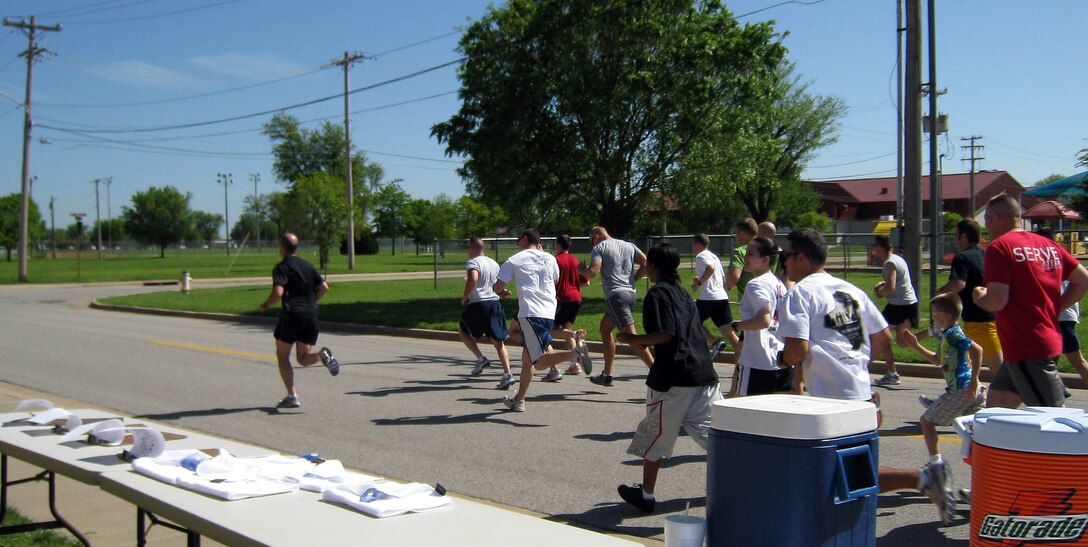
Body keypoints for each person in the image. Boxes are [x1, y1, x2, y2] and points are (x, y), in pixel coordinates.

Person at [776, 228, 956, 523]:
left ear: (802, 258)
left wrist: (782, 360)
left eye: (786, 256)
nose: (783, 263)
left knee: (838, 473)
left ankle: (923, 478)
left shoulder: (800, 293)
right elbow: (883, 335)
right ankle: (922, 479)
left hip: (830, 402)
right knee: (846, 473)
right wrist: (855, 363)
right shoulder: (851, 290)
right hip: (859, 392)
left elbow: (798, 348)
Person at [615, 243, 722, 513]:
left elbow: (665, 334)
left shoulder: (657, 294)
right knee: (714, 435)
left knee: (653, 433)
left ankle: (647, 496)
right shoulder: (684, 294)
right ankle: (736, 481)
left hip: (674, 377)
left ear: (653, 266)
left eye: (647, 264)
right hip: (704, 374)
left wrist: (633, 339)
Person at [973, 194, 1088, 409]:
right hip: (1040, 340)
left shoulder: (1000, 247)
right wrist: (1054, 309)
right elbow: (1082, 280)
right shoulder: (1048, 245)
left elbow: (996, 301)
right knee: (996, 408)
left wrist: (979, 296)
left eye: (987, 219)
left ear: (997, 218)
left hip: (1026, 346)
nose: (986, 225)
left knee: (1054, 418)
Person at [898, 293, 985, 499]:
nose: (933, 320)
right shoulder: (948, 335)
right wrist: (915, 345)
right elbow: (938, 360)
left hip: (962, 391)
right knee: (977, 440)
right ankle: (979, 488)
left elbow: (978, 350)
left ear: (944, 316)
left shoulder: (954, 335)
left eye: (934, 316)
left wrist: (973, 380)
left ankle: (936, 466)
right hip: (972, 391)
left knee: (926, 421)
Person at [497, 229, 591, 412]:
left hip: (531, 313)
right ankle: (519, 400)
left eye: (518, 240)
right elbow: (554, 280)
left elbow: (498, 285)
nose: (517, 243)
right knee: (527, 360)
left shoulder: (514, 259)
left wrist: (502, 292)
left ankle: (575, 354)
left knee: (538, 362)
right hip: (549, 311)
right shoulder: (550, 258)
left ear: (525, 239)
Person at [258, 233, 340, 409]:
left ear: (281, 247)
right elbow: (324, 287)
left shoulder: (281, 267)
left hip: (292, 315)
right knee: (302, 358)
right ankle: (321, 356)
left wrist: (265, 305)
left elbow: (278, 293)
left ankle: (292, 395)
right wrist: (311, 302)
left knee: (282, 356)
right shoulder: (307, 266)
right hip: (311, 314)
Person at [578, 227, 654, 387]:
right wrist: (633, 279)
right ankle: (607, 374)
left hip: (616, 297)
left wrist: (582, 270)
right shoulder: (628, 245)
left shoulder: (599, 248)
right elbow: (646, 262)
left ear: (597, 236)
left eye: (592, 240)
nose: (593, 244)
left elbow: (592, 272)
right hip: (630, 294)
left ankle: (656, 372)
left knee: (631, 337)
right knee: (605, 329)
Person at [931, 219, 1002, 375]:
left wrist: (939, 294)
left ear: (963, 236)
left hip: (980, 323)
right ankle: (958, 396)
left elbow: (958, 284)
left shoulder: (962, 257)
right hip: (990, 316)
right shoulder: (986, 255)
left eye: (956, 235)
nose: (954, 239)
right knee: (959, 364)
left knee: (1001, 373)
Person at [730, 236, 789, 396]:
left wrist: (737, 326)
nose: (745, 258)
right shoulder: (778, 284)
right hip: (779, 357)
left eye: (750, 254)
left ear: (765, 259)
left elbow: (764, 320)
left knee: (747, 412)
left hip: (758, 360)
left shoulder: (756, 284)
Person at [457, 237, 516, 389]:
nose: (467, 251)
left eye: (468, 247)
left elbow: (473, 278)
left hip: (478, 305)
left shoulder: (473, 263)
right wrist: (503, 292)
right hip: (495, 304)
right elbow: (497, 285)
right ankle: (507, 373)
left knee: (463, 331)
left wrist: (465, 296)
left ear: (473, 248)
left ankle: (480, 358)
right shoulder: (494, 263)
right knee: (498, 341)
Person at [1036, 228, 1088, 388]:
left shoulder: (1051, 258)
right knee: (1048, 360)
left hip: (1062, 317)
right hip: (1059, 315)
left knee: (1076, 359)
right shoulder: (1059, 256)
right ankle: (1058, 392)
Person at [542, 234, 593, 382]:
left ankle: (576, 335)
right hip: (576, 298)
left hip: (562, 298)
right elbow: (586, 282)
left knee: (548, 331)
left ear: (558, 245)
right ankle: (574, 364)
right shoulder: (575, 261)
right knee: (566, 330)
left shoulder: (555, 260)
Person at [870, 234, 919, 386]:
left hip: (898, 305)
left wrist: (880, 293)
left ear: (879, 247)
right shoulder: (897, 259)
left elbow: (891, 288)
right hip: (908, 303)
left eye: (874, 246)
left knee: (880, 334)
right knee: (903, 342)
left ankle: (891, 373)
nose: (873, 250)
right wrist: (883, 282)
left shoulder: (889, 263)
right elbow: (895, 281)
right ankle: (932, 332)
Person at [691, 233, 739, 361]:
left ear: (697, 244)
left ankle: (713, 342)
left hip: (708, 298)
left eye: (693, 244)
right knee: (727, 329)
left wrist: (699, 283)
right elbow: (720, 277)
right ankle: (743, 354)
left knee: (691, 320)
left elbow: (710, 269)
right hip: (721, 297)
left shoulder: (701, 256)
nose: (692, 247)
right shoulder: (714, 257)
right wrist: (699, 280)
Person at [725, 218, 758, 300]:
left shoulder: (739, 251)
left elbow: (733, 278)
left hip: (749, 302)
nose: (735, 236)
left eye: (735, 233)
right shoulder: (768, 250)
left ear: (742, 233)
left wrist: (725, 287)